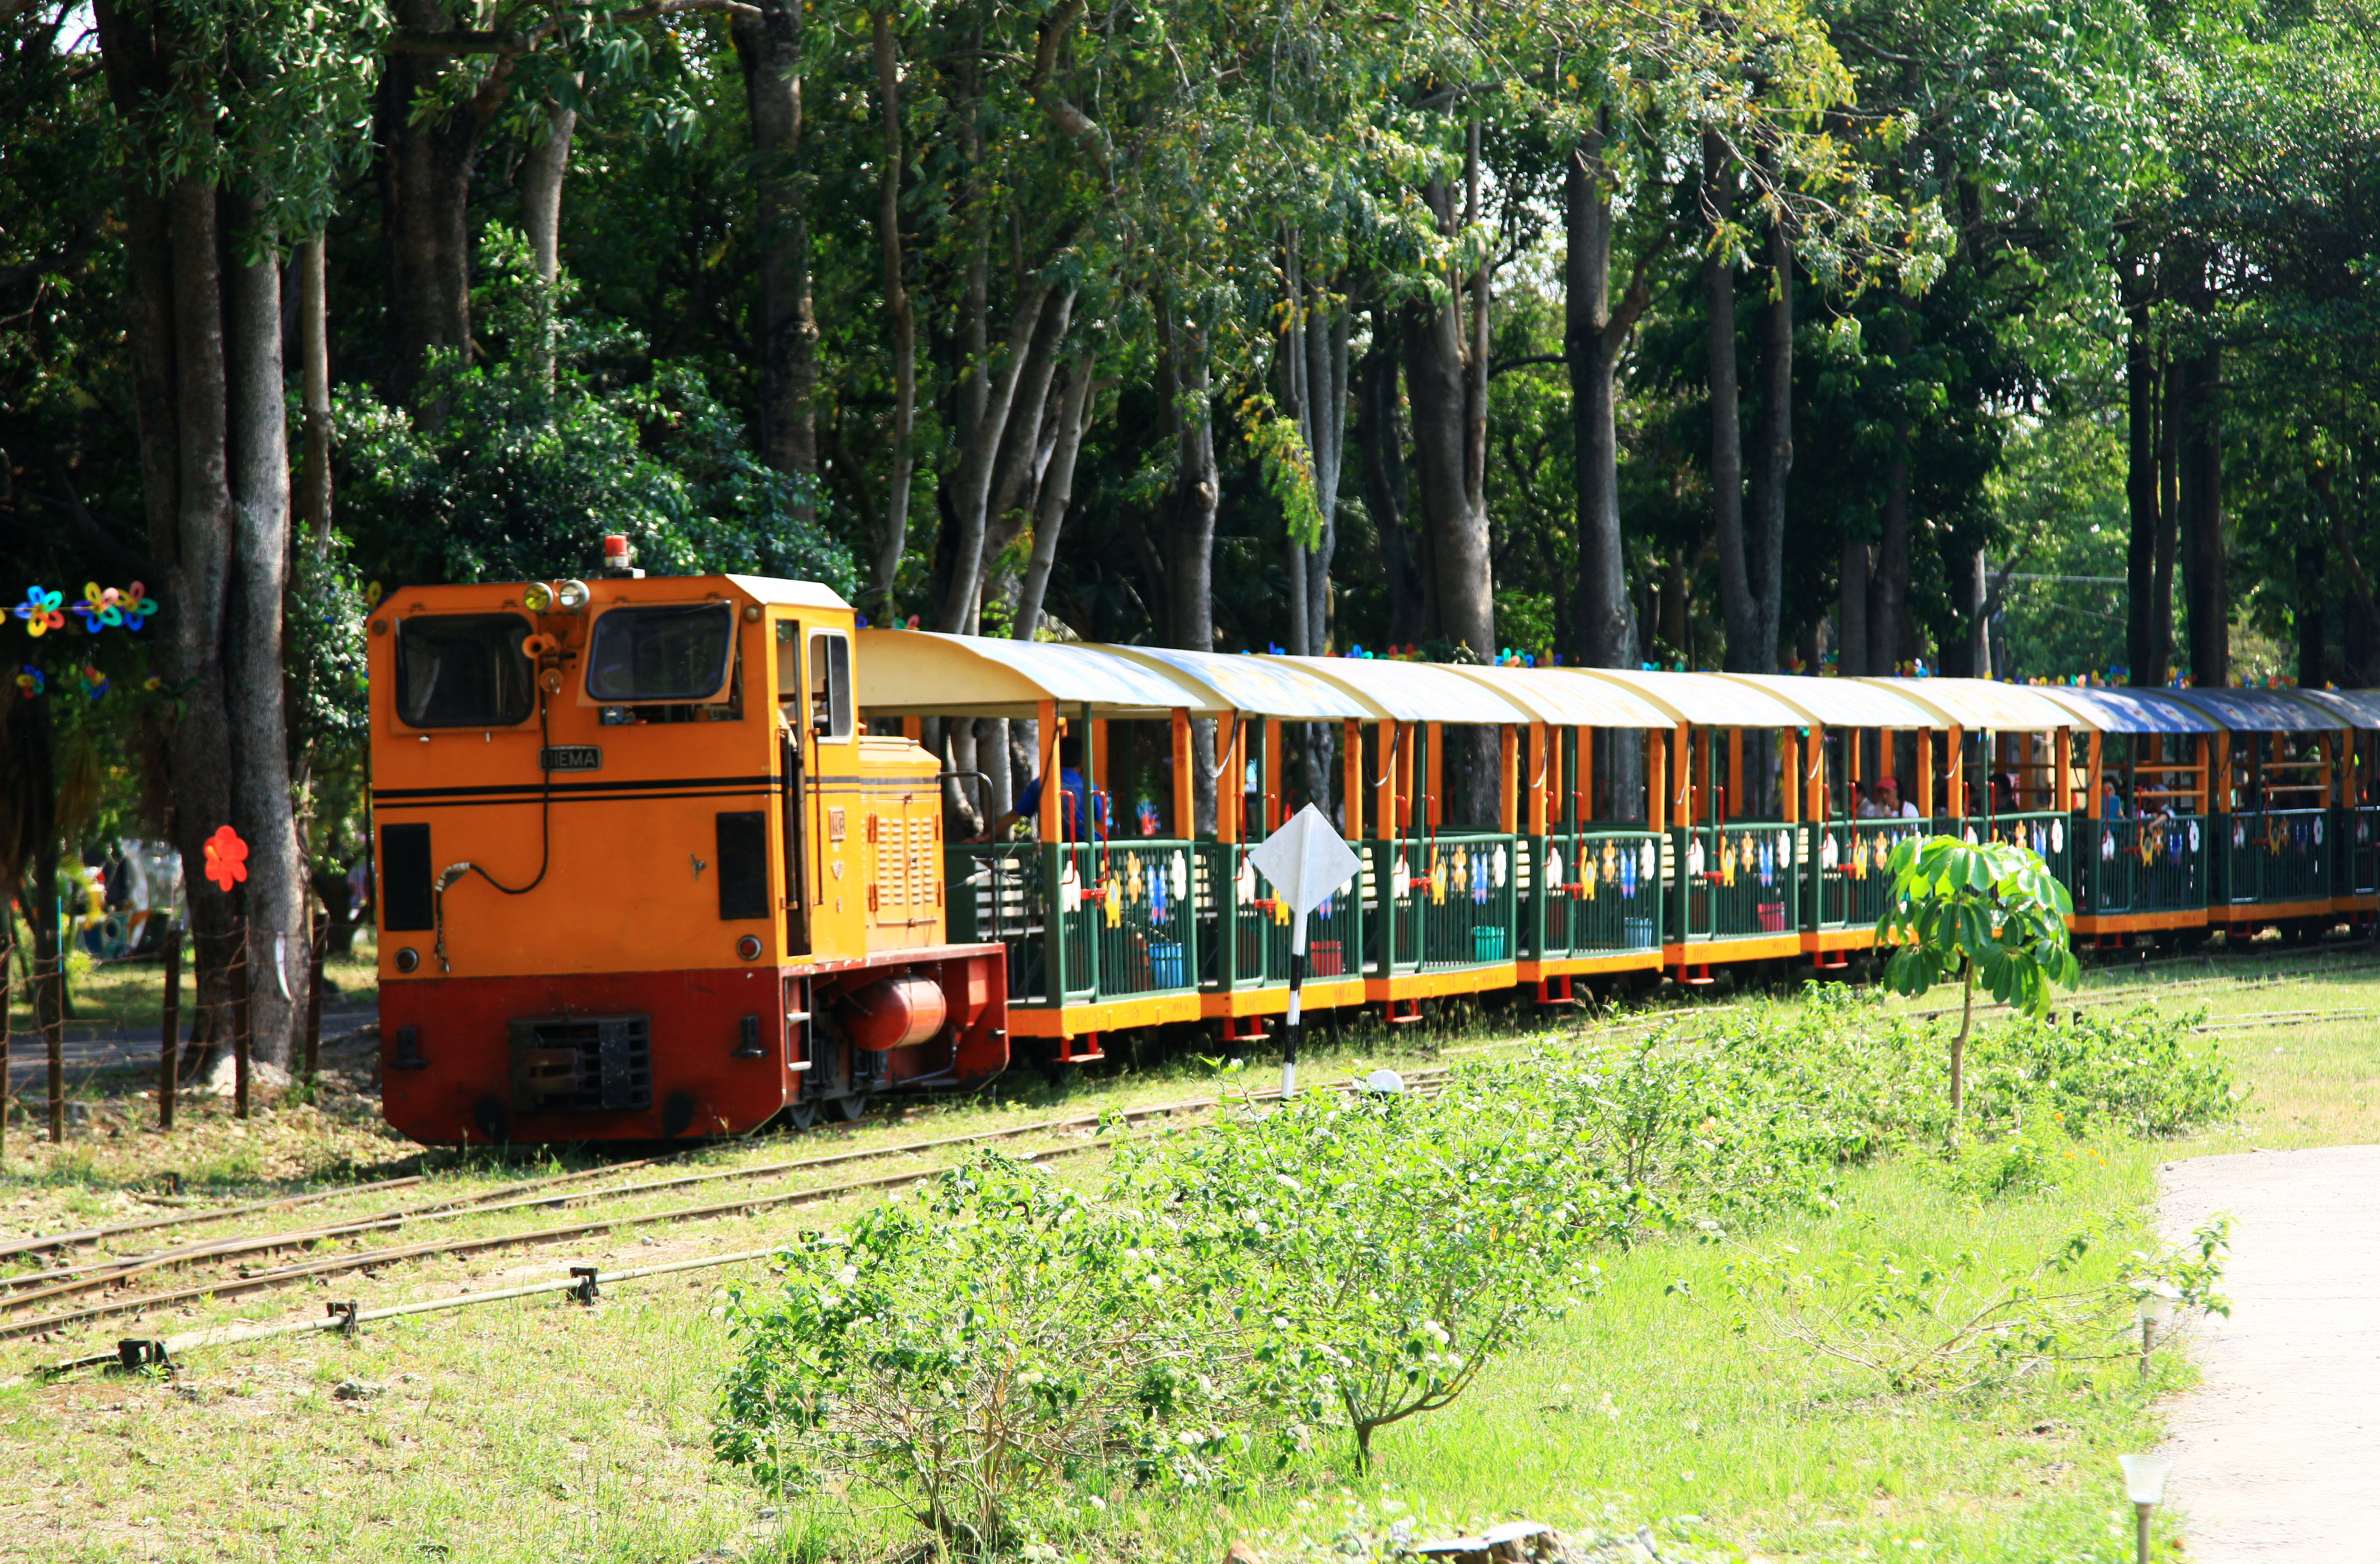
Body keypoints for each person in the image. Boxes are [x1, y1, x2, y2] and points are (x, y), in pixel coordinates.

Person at [971, 734, 1108, 842]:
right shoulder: (1090, 787)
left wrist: (987, 837)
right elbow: (1102, 820)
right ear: (1082, 763)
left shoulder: (1041, 784)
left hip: (1054, 852)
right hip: (1089, 851)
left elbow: (1015, 815)